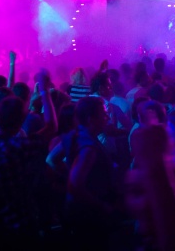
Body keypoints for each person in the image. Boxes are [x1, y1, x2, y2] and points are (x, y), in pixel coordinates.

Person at [0, 70, 57, 246]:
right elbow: (52, 127)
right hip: (19, 224)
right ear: (21, 120)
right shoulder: (18, 147)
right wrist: (44, 91)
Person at [63, 96, 116, 249]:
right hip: (88, 215)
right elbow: (74, 185)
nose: (107, 118)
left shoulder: (74, 135)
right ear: (90, 119)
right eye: (103, 115)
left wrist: (68, 172)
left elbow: (52, 159)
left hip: (76, 211)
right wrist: (101, 205)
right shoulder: (89, 148)